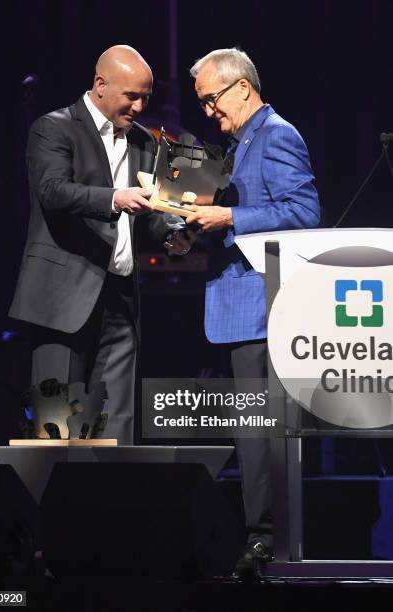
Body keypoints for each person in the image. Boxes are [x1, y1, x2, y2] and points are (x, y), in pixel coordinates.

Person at [9, 45, 190, 444]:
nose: (140, 106)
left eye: (146, 97)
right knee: (54, 427)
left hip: (121, 299)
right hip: (62, 297)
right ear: (100, 85)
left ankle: (114, 505)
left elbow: (154, 205)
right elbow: (52, 192)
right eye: (131, 96)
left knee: (116, 421)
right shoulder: (54, 128)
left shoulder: (144, 141)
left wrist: (173, 231)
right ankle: (54, 506)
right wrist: (114, 198)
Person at [186, 48, 320, 575]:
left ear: (242, 88)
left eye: (211, 100)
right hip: (241, 306)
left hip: (265, 309)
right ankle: (260, 535)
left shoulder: (277, 135)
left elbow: (304, 215)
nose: (208, 112)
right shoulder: (240, 142)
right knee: (251, 433)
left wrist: (230, 217)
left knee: (261, 432)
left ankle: (266, 540)